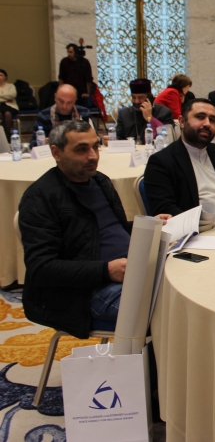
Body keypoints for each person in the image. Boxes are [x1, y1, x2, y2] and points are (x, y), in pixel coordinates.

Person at [18, 120, 171, 338]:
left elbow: (107, 229)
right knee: (170, 311)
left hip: (130, 270)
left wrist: (149, 224)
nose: (92, 156)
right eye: (81, 149)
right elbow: (41, 268)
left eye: (95, 147)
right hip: (81, 293)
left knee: (187, 289)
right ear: (56, 153)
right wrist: (106, 270)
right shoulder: (40, 198)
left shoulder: (99, 181)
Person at [144, 98, 215, 224]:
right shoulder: (161, 162)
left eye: (212, 119)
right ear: (182, 121)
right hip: (195, 232)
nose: (207, 124)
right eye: (200, 117)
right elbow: (165, 210)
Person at [32, 84, 91, 148]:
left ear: (75, 101)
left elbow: (94, 138)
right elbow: (33, 143)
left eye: (69, 103)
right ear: (55, 97)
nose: (64, 106)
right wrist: (41, 142)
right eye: (61, 101)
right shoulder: (43, 116)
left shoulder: (84, 113)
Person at [116, 79, 174, 143]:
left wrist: (150, 118)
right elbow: (118, 138)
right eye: (133, 97)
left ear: (149, 97)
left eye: (140, 98)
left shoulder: (164, 112)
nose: (136, 101)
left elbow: (168, 138)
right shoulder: (124, 114)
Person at [0, 68, 18, 141]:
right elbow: (9, 96)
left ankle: (8, 135)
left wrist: (1, 97)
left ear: (5, 77)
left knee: (7, 113)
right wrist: (6, 98)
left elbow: (12, 95)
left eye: (1, 75)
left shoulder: (11, 86)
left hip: (10, 106)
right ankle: (1, 135)